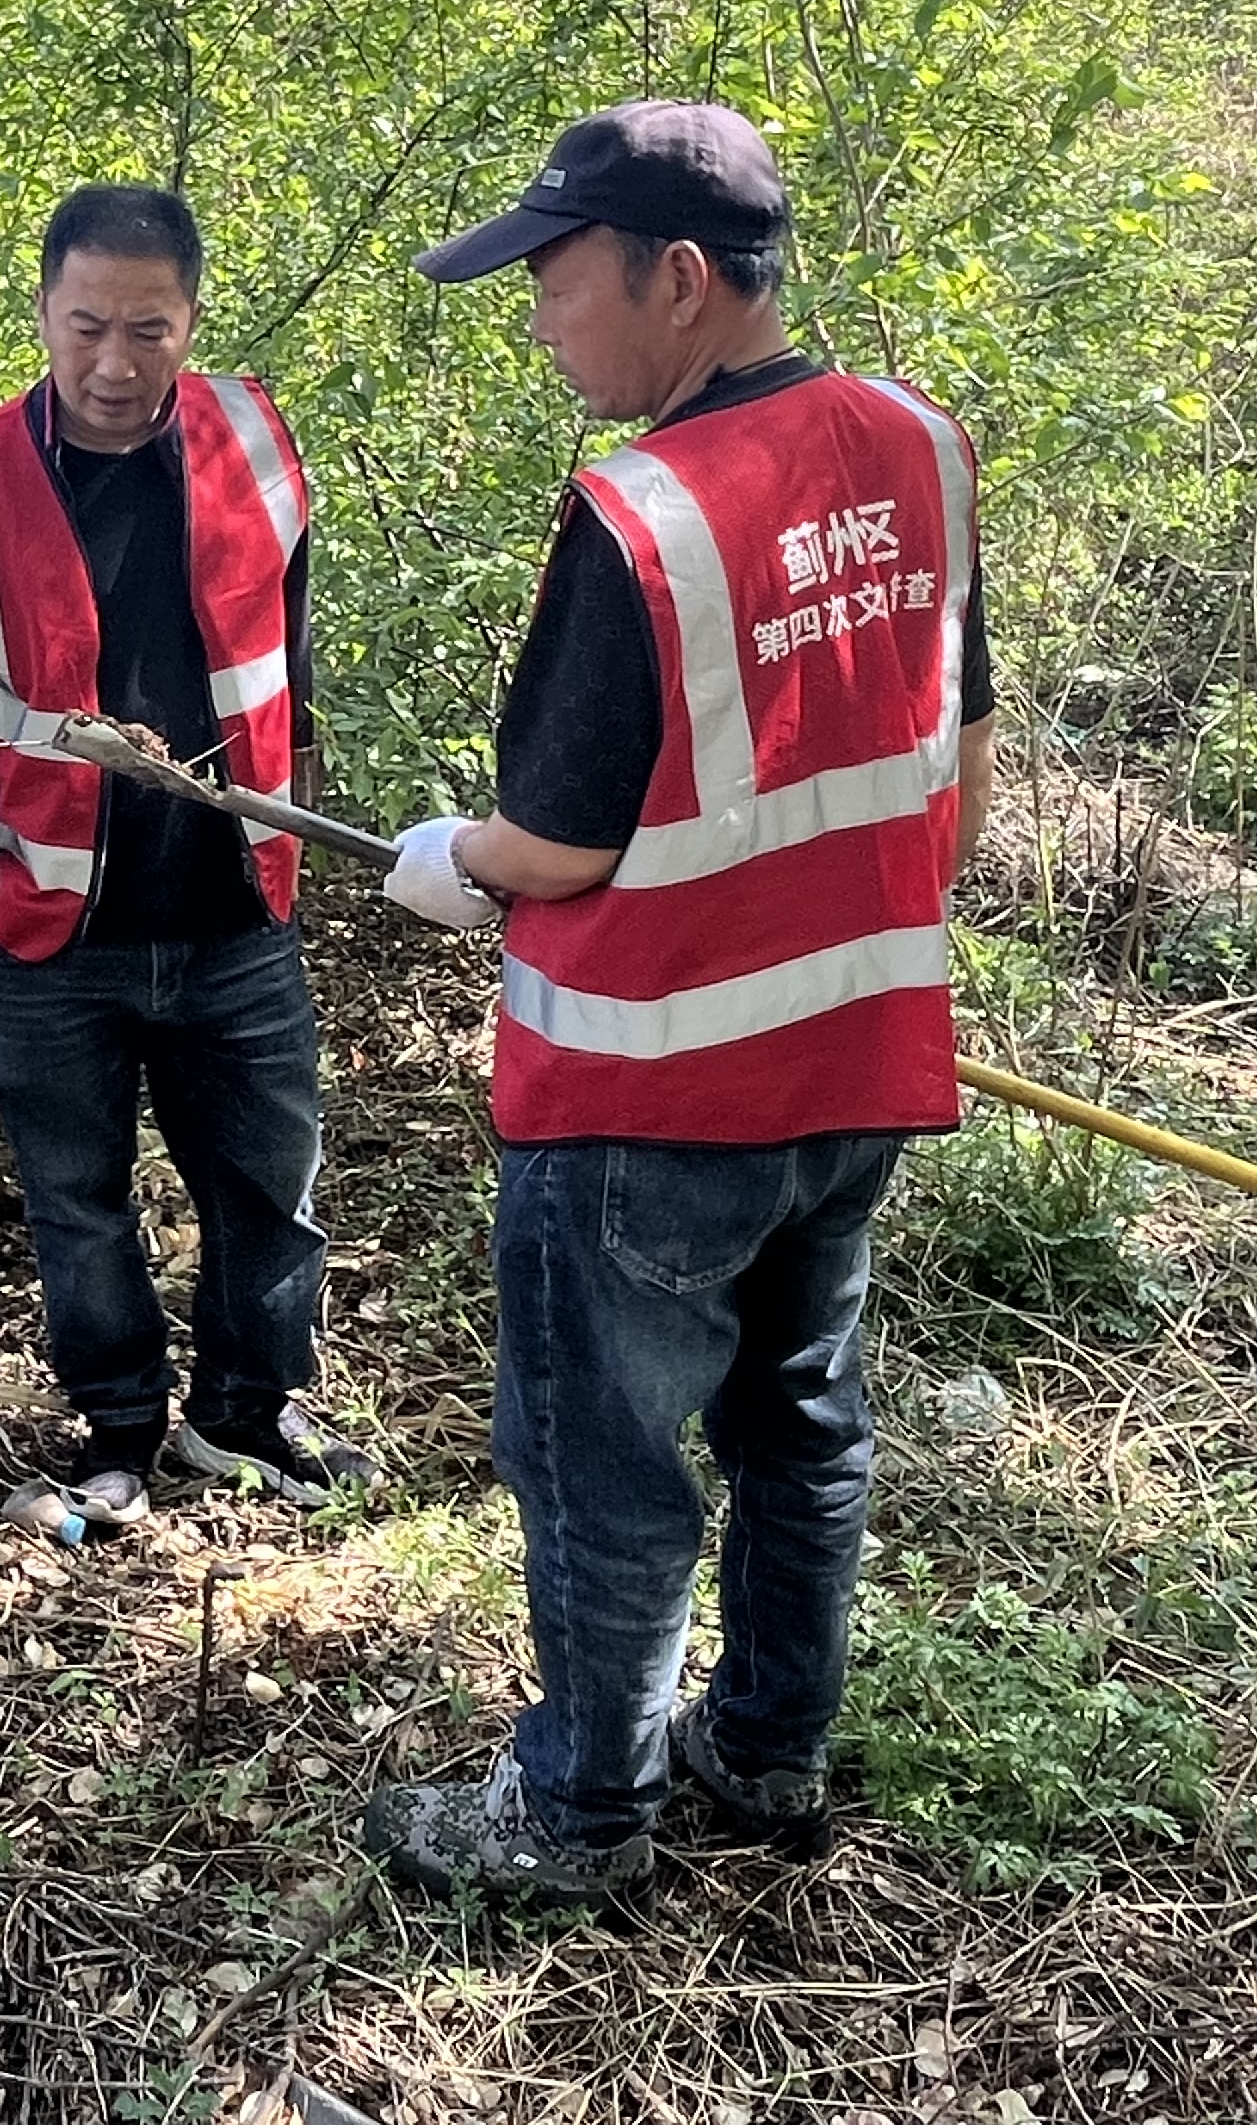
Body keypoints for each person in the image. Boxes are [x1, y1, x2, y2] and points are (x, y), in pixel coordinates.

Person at [361, 98, 994, 1906]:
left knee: (603, 1455)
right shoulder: (922, 449)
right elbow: (956, 751)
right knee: (800, 1415)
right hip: (857, 1062)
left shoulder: (643, 513)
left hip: (650, 1088)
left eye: (563, 285)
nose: (545, 323)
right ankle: (770, 1746)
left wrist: (449, 858)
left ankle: (580, 1810)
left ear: (685, 279)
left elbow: (556, 842)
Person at [0, 185, 378, 1528]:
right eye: (86, 326)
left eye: (147, 330)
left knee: (266, 1191)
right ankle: (114, 1431)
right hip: (52, 931)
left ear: (191, 320)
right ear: (42, 313)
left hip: (233, 916)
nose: (114, 364)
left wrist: (290, 853)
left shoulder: (253, 441)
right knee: (79, 1202)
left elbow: (294, 655)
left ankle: (245, 1415)